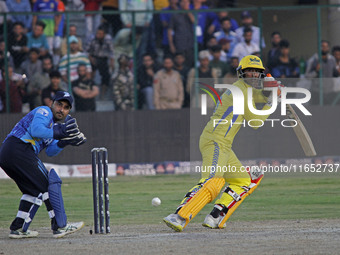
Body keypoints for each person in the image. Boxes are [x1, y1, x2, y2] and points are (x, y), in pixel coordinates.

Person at [163, 55, 280, 232]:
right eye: (250, 72)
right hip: (215, 140)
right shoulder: (239, 91)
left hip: (223, 145)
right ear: (241, 73)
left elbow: (259, 94)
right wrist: (273, 101)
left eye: (257, 72)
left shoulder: (246, 89)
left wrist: (273, 90)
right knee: (214, 181)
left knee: (244, 180)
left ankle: (215, 217)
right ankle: (179, 216)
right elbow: (256, 122)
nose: (254, 75)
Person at [0, 91, 86, 238]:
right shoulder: (44, 111)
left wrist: (66, 141)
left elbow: (51, 151)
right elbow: (36, 130)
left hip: (8, 154)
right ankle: (60, 226)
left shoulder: (51, 127)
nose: (61, 109)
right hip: (19, 148)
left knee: (32, 191)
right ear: (52, 103)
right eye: (59, 104)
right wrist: (60, 131)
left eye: (66, 107)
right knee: (48, 184)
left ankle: (18, 228)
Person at [305, 40, 338, 105]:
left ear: (328, 48)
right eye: (322, 46)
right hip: (317, 92)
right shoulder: (313, 60)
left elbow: (334, 74)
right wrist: (316, 71)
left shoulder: (332, 59)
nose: (324, 48)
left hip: (329, 92)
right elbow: (307, 76)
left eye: (326, 46)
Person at [86, 25, 115, 98]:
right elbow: (87, 50)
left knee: (106, 76)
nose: (98, 35)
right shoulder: (92, 38)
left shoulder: (108, 39)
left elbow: (111, 51)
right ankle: (90, 90)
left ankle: (103, 94)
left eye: (100, 34)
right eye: (97, 33)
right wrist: (91, 58)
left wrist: (112, 62)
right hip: (93, 57)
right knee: (90, 74)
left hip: (103, 58)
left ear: (104, 34)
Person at [168, 0, 194, 67]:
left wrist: (187, 10)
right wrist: (171, 44)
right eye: (183, 2)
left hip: (190, 43)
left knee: (190, 63)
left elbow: (194, 22)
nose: (184, 4)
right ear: (180, 3)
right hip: (179, 43)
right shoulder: (175, 14)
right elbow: (170, 30)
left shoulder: (192, 12)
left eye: (186, 2)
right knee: (179, 63)